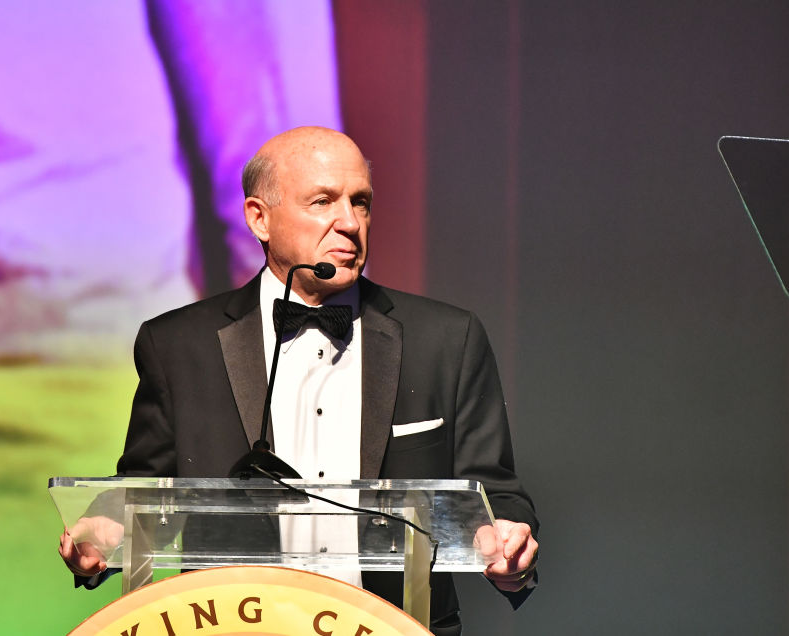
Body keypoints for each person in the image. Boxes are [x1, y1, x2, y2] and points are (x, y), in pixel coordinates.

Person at [59, 126, 539, 635]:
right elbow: (144, 487)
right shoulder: (178, 345)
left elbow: (496, 494)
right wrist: (104, 526)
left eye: (361, 203)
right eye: (322, 202)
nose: (349, 223)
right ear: (258, 218)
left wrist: (508, 541)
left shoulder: (447, 339)